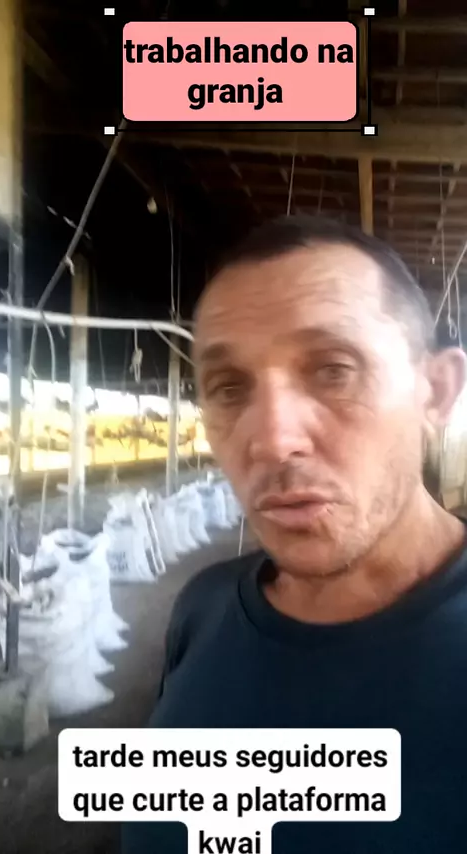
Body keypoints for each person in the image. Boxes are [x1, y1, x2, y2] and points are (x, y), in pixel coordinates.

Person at [122, 215, 467, 853]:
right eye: (229, 387)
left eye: (334, 370)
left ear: (436, 392)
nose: (274, 441)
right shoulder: (202, 610)